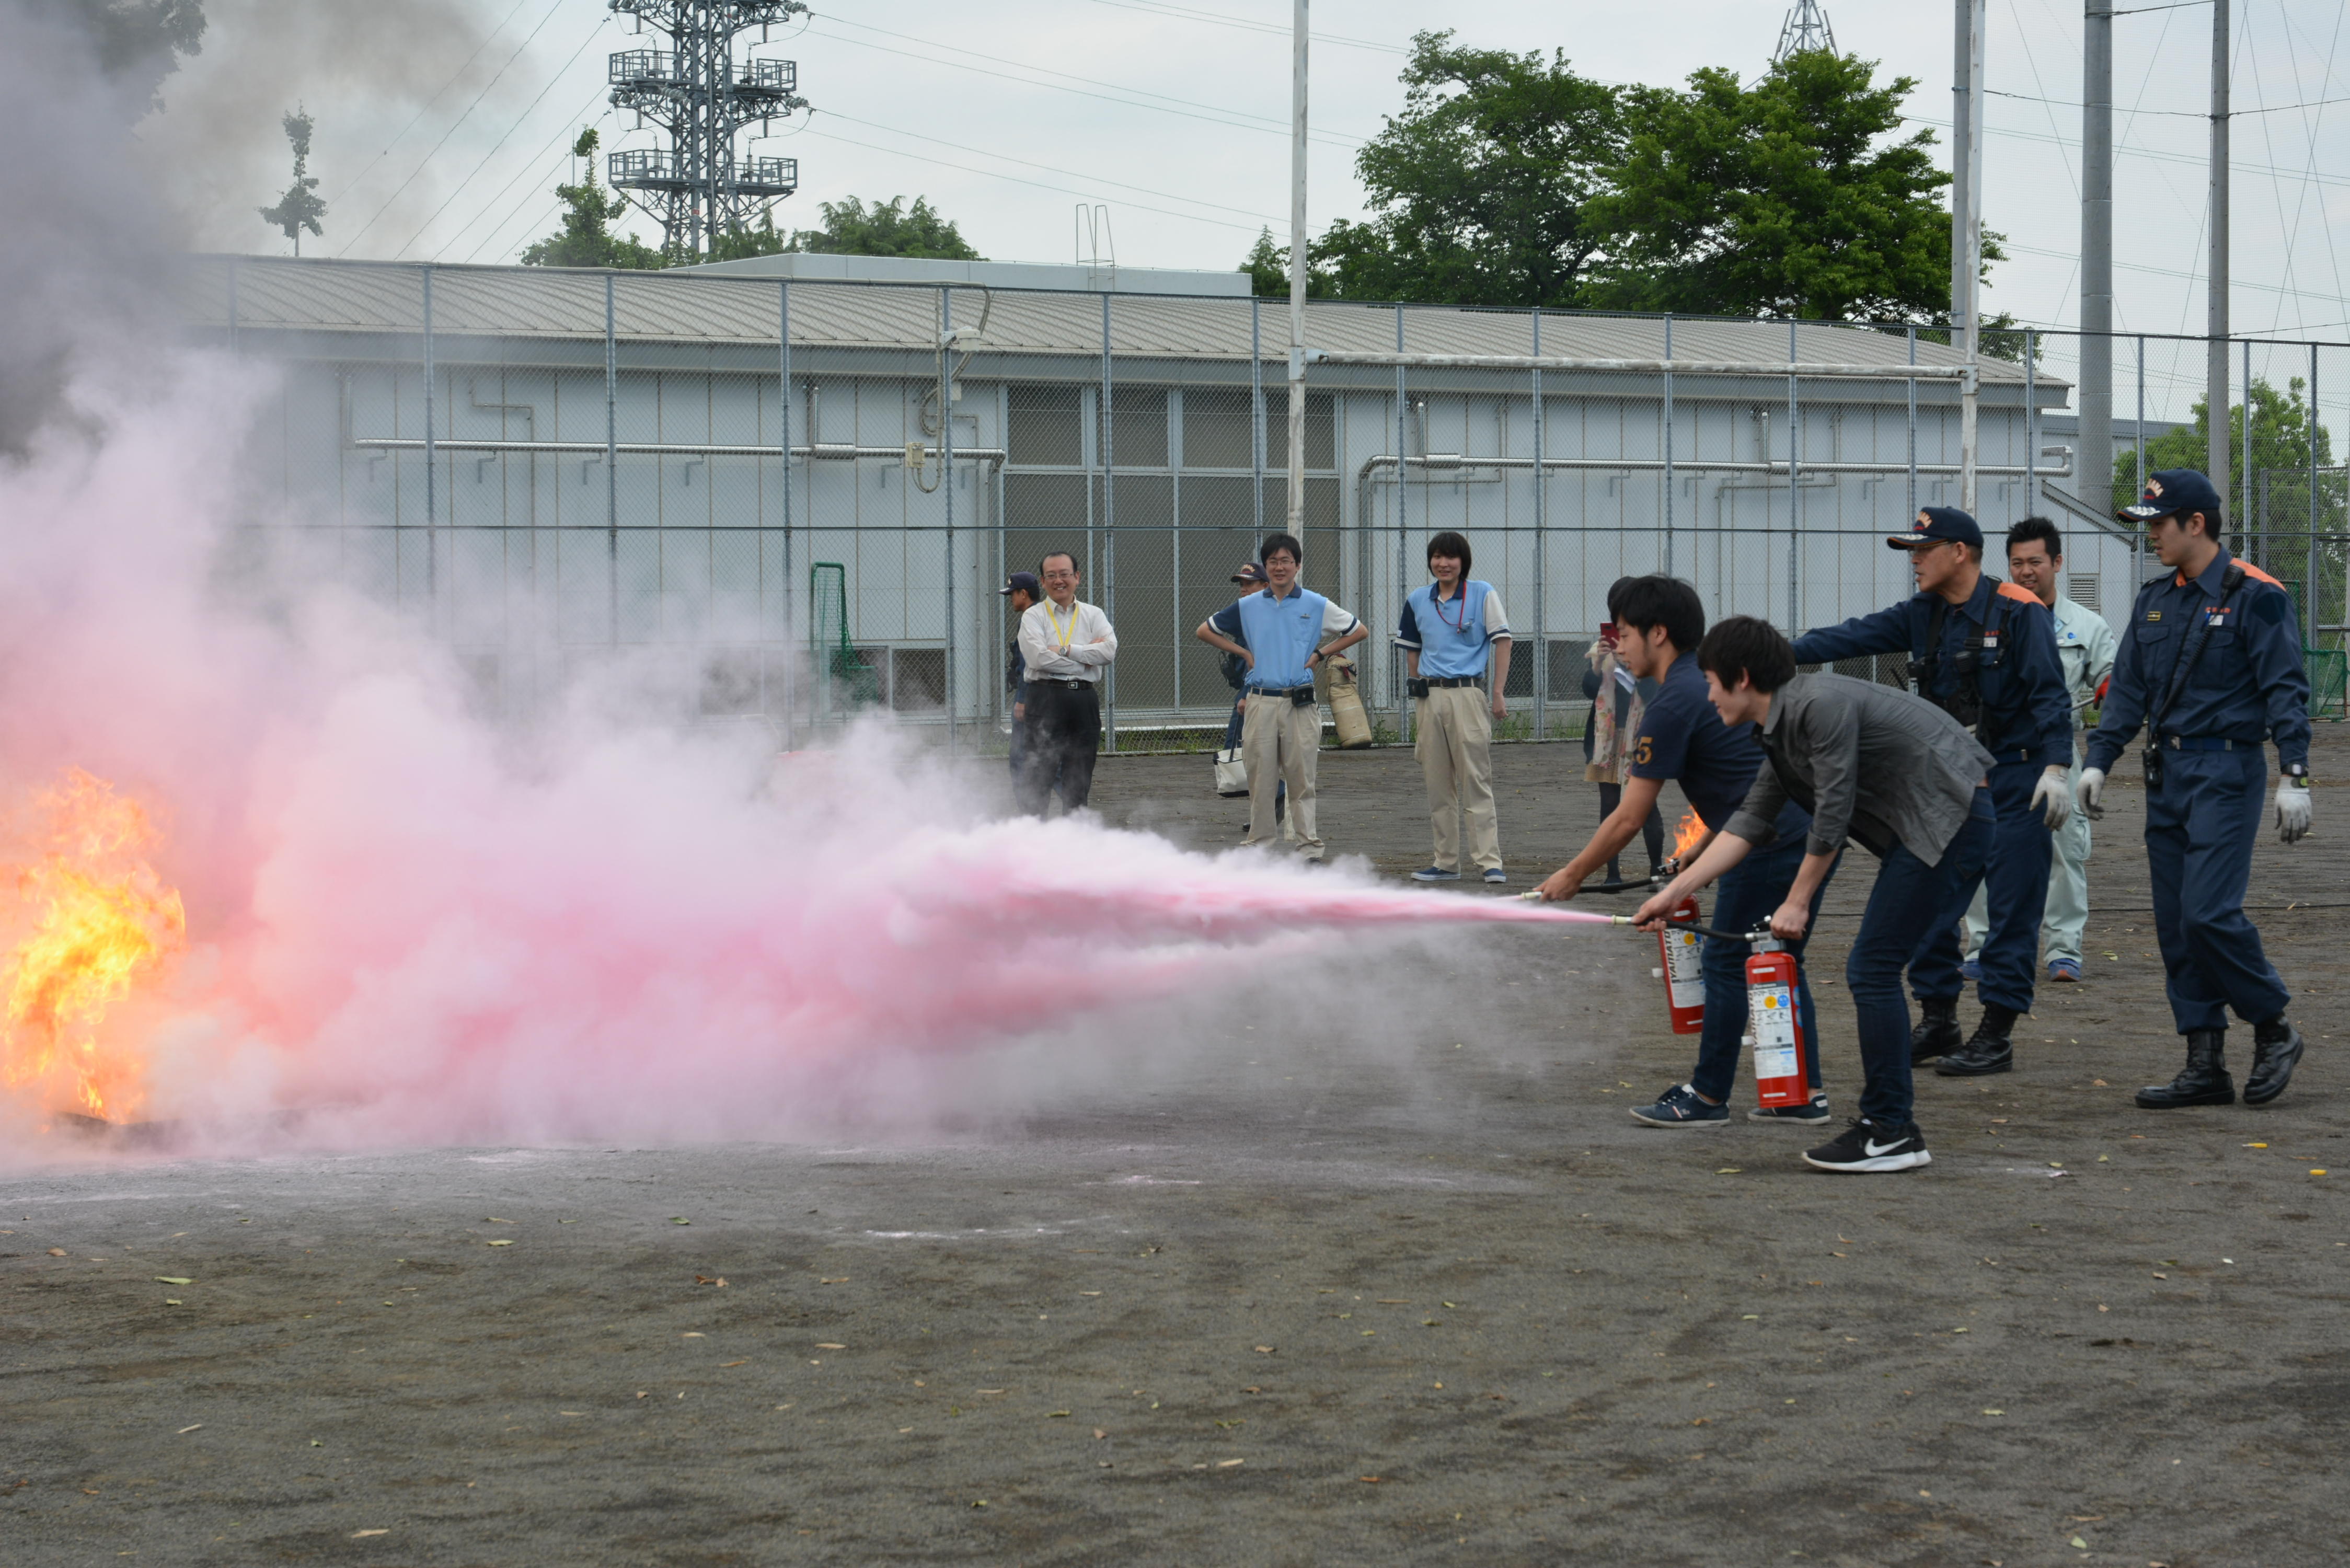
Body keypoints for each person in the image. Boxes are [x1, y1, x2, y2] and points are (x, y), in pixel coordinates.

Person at [1636, 616, 1995, 1173]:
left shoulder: (1815, 707)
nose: (1706, 695)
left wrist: (1797, 899)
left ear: (1742, 678)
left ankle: (1890, 1130)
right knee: (1872, 966)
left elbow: (1832, 808)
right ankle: (1888, 1125)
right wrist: (1675, 893)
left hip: (1951, 819)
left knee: (1872, 968)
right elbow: (1749, 820)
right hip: (1933, 822)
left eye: (1711, 681)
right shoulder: (1781, 725)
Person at [1539, 578, 1838, 1127]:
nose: (1616, 644)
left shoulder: (1675, 699)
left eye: (1623, 633)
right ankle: (1801, 1093)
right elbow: (1739, 781)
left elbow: (1629, 816)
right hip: (1786, 831)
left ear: (1658, 634)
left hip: (1772, 843)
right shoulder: (1701, 681)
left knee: (1728, 961)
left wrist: (1571, 874)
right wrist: (1698, 850)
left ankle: (1707, 1096)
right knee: (1778, 962)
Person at [1790, 507, 2071, 1080]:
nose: (1914, 560)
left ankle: (1996, 1031)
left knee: (2012, 907)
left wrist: (2057, 767)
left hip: (2016, 776)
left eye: (1923, 549)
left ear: (1960, 552)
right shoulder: (1923, 614)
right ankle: (1938, 1016)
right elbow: (1850, 636)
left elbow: (2049, 695)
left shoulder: (2019, 611)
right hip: (1949, 783)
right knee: (1928, 903)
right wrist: (1775, 652)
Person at [2079, 469, 2312, 1109]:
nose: (2149, 533)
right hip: (2169, 777)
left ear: (2196, 524)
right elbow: (2126, 689)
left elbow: (2285, 690)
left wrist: (2294, 774)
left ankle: (2273, 1028)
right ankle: (2203, 1060)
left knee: (2207, 913)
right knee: (2174, 926)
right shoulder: (2156, 599)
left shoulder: (2256, 595)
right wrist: (2098, 760)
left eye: (2158, 522)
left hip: (2226, 774)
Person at [1960, 520, 2118, 984]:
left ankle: (2064, 950)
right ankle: (1980, 946)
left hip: (2056, 752)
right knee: (1983, 846)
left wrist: (2111, 722)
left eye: (2036, 562)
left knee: (2065, 849)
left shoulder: (2086, 626)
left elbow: (2115, 684)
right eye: (2017, 563)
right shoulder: (1985, 619)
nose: (2026, 572)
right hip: (1991, 749)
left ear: (2057, 563)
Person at [1194, 532, 1367, 863]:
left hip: (1298, 703)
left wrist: (1320, 653)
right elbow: (1205, 630)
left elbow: (1358, 630)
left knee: (1302, 779)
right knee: (1261, 779)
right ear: (1267, 567)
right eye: (1273, 561)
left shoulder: (1316, 604)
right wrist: (1244, 653)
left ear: (1297, 566)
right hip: (1260, 701)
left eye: (1286, 561)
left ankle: (1309, 849)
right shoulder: (1247, 606)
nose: (1279, 567)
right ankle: (1258, 847)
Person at [1396, 530, 1514, 885]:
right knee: (1437, 783)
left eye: (1450, 557)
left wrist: (1497, 692)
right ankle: (1446, 862)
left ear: (1463, 562)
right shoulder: (1418, 599)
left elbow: (1503, 641)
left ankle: (1489, 861)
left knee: (1475, 778)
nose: (1443, 564)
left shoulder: (1482, 593)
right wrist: (1417, 684)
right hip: (1430, 697)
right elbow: (1411, 646)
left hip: (1467, 693)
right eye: (1437, 557)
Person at [1015, 551, 1117, 815]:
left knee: (1079, 778)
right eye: (1051, 576)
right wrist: (1086, 660)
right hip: (1045, 699)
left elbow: (1108, 653)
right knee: (1038, 776)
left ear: (1077, 577)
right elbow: (1038, 658)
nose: (1058, 581)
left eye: (1064, 574)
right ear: (1043, 581)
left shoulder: (1094, 614)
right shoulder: (1034, 616)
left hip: (1083, 701)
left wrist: (1065, 650)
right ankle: (1032, 842)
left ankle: (1075, 841)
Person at [1584, 579, 1666, 884]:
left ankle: (1656, 871)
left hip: (1641, 734)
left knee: (1646, 805)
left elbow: (1655, 692)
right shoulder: (1603, 645)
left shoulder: (1652, 645)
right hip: (1607, 736)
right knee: (1609, 806)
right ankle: (1612, 875)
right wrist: (1598, 664)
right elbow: (1589, 691)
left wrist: (1629, 664)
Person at [1217, 562, 1287, 836]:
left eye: (1250, 584)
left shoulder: (1268, 617)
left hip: (1259, 692)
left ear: (1266, 585)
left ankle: (1276, 798)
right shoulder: (1248, 614)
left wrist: (1246, 695)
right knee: (1251, 751)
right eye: (1241, 585)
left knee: (1250, 751)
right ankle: (1265, 810)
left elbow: (1265, 661)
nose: (1244, 590)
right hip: (1251, 689)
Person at [1000, 570, 1041, 791]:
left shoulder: (1029, 618)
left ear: (1024, 594)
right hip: (1044, 695)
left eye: (1013, 594)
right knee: (1045, 753)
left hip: (1031, 696)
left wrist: (1022, 700)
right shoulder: (1045, 615)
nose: (1011, 600)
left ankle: (1027, 810)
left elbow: (1027, 663)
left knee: (1020, 757)